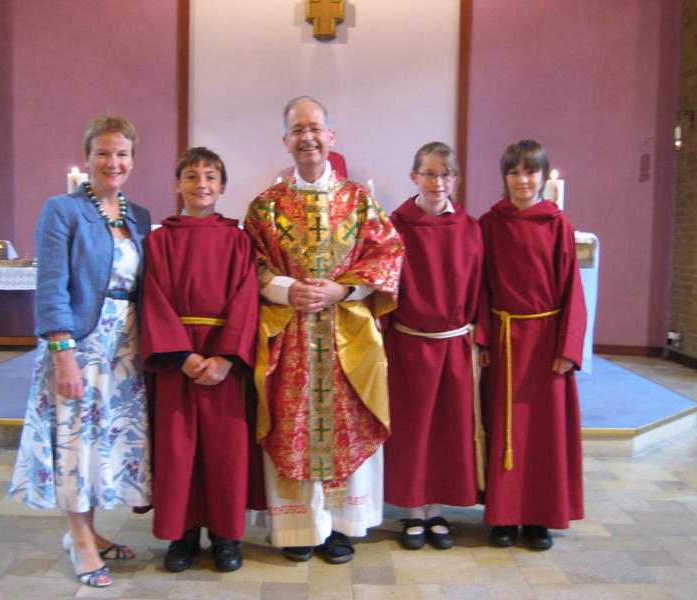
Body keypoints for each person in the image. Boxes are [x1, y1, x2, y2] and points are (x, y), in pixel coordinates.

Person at [244, 96, 404, 564]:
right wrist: (286, 290)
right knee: (291, 424)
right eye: (298, 130)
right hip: (290, 337)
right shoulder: (265, 207)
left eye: (315, 128)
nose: (307, 137)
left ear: (331, 136)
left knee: (347, 423)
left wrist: (342, 290)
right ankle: (300, 527)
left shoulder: (359, 201)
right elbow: (249, 264)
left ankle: (340, 526)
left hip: (346, 338)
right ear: (285, 140)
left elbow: (388, 256)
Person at [10, 116, 152, 587]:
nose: (113, 162)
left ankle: (90, 531)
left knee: (102, 443)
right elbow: (51, 284)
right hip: (81, 344)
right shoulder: (63, 209)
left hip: (126, 348)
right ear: (87, 158)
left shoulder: (138, 216)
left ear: (133, 159)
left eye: (122, 154)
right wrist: (62, 353)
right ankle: (79, 539)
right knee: (75, 439)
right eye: (103, 153)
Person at [140, 147, 260, 573]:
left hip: (224, 362)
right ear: (178, 184)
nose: (201, 184)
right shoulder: (159, 240)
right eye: (191, 176)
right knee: (178, 450)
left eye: (210, 177)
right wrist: (182, 356)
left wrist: (226, 357)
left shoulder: (238, 239)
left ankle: (226, 536)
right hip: (178, 362)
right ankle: (183, 535)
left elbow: (247, 298)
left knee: (226, 450)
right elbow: (152, 298)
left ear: (222, 186)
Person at [479, 139, 586, 551]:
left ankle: (540, 517)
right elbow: (480, 287)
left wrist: (567, 348)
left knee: (542, 433)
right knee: (504, 428)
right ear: (504, 177)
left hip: (545, 344)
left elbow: (572, 288)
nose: (522, 180)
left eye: (530, 171)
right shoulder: (490, 224)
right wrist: (484, 339)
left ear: (542, 176)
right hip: (504, 339)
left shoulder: (558, 224)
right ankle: (504, 516)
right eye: (514, 172)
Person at [383, 142, 485, 550]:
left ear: (455, 179)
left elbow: (480, 285)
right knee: (413, 429)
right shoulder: (395, 226)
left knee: (448, 429)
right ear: (414, 177)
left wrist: (479, 338)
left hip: (454, 343)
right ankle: (412, 510)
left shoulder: (470, 227)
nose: (437, 182)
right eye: (428, 173)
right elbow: (384, 285)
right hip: (409, 344)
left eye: (445, 174)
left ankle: (437, 510)